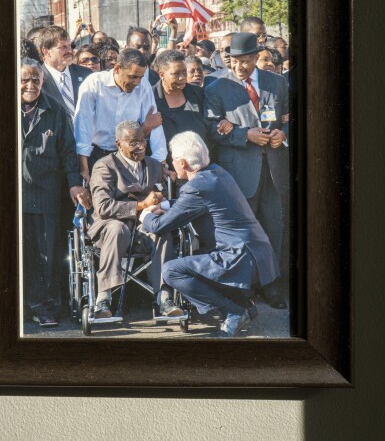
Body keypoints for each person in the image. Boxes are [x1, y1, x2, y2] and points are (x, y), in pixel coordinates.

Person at [139, 132, 279, 337]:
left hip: (238, 259)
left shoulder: (196, 187)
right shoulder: (217, 173)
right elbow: (190, 204)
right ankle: (242, 305)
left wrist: (145, 216)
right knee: (199, 260)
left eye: (172, 158)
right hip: (257, 255)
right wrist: (164, 205)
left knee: (172, 271)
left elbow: (161, 226)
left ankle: (232, 313)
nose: (170, 162)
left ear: (183, 163)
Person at [203, 32, 290, 309]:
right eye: (233, 61)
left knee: (273, 228)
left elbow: (290, 116)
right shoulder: (216, 87)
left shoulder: (277, 83)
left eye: (244, 60)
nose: (238, 66)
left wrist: (282, 134)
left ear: (255, 57)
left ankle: (271, 285)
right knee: (242, 230)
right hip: (239, 170)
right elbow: (212, 128)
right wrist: (244, 135)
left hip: (273, 169)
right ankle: (243, 286)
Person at [19, 58, 91, 327]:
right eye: (24, 80)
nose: (30, 85)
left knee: (46, 253)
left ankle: (44, 305)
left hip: (45, 194)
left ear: (43, 82)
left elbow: (68, 152)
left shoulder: (55, 110)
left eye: (35, 80)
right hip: (12, 197)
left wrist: (74, 184)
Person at [88, 121, 183, 319]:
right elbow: (103, 207)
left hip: (142, 229)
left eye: (143, 141)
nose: (140, 146)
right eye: (133, 142)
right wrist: (140, 206)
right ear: (118, 144)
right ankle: (103, 299)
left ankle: (164, 297)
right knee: (117, 228)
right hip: (109, 227)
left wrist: (160, 205)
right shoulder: (104, 166)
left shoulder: (154, 166)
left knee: (162, 227)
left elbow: (160, 198)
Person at [74, 49, 167, 183]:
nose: (137, 82)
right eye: (132, 76)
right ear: (117, 68)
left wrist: (161, 163)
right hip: (96, 154)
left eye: (140, 77)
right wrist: (84, 168)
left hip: (128, 155)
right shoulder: (94, 83)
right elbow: (83, 126)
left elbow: (155, 127)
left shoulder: (143, 87)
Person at [152, 50, 215, 154]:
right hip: (166, 167)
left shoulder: (197, 94)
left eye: (184, 72)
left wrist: (224, 122)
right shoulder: (150, 99)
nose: (182, 77)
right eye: (175, 74)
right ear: (161, 75)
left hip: (199, 163)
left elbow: (211, 123)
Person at [34, 25, 92, 119]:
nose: (69, 50)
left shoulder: (86, 74)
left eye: (69, 46)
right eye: (62, 47)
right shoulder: (36, 81)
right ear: (46, 52)